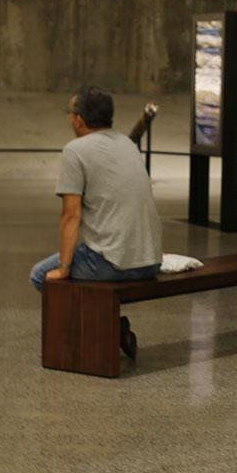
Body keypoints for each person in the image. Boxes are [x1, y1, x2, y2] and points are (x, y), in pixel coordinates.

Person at [29, 86, 163, 359]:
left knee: (41, 275)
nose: (69, 119)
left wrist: (64, 268)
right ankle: (111, 328)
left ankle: (100, 332)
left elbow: (70, 215)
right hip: (150, 260)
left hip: (114, 262)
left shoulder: (75, 151)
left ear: (78, 119)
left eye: (70, 113)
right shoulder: (127, 144)